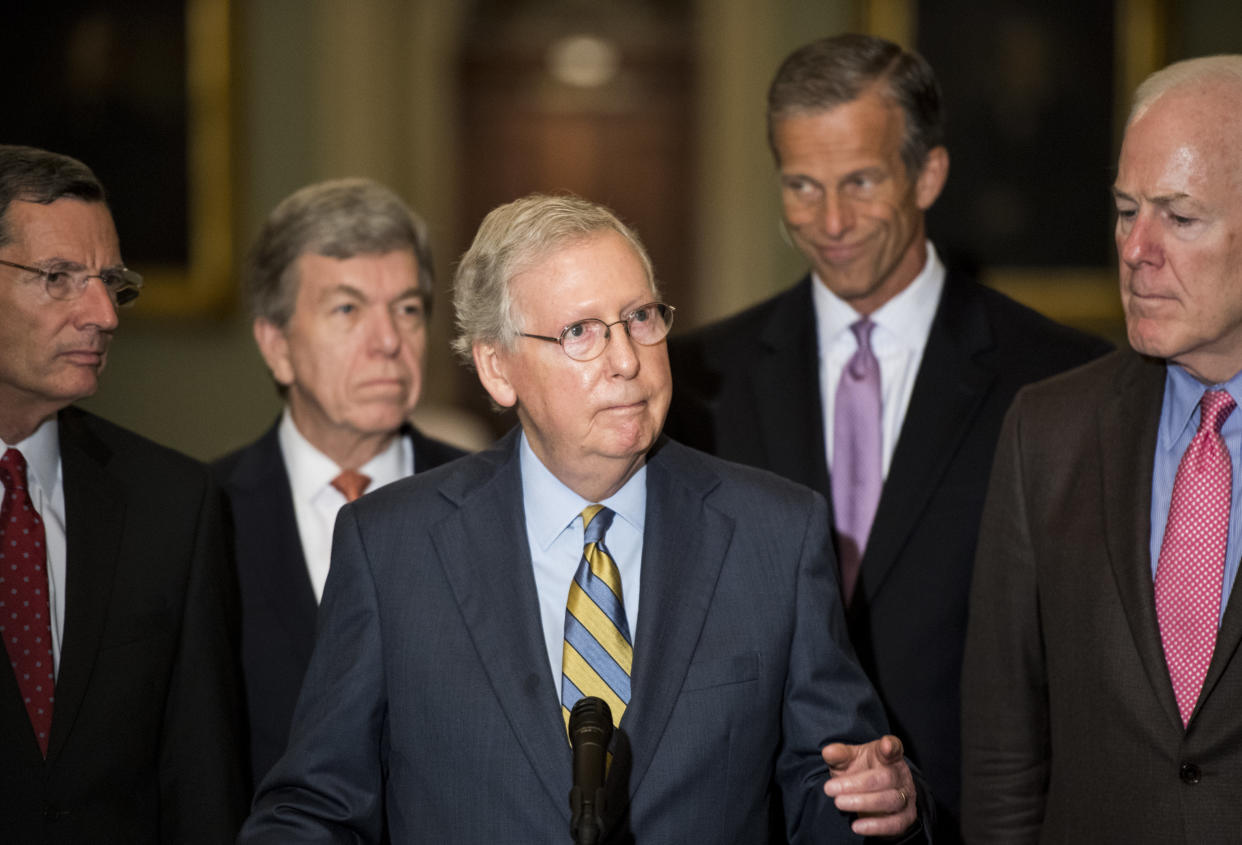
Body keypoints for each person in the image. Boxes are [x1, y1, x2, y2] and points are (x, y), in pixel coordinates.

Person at [240, 194, 925, 842]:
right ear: (497, 369)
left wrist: (882, 803)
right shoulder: (393, 546)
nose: (626, 360)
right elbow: (317, 805)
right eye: (579, 332)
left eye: (641, 318)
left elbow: (836, 784)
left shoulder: (774, 533)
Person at [663, 34, 1109, 840]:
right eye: (802, 186)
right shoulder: (695, 381)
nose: (830, 222)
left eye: (860, 181)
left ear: (928, 174)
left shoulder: (1062, 382)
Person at [962, 55, 1242, 841]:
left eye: (1179, 217)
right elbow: (1003, 752)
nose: (1136, 249)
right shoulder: (1047, 430)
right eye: (1126, 211)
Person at [0, 146, 247, 840]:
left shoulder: (173, 501)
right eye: (59, 277)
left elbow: (203, 781)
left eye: (111, 281)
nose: (104, 313)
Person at [212, 178, 467, 786]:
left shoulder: (491, 497)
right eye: (348, 309)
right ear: (276, 347)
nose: (388, 342)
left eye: (407, 309)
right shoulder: (203, 514)